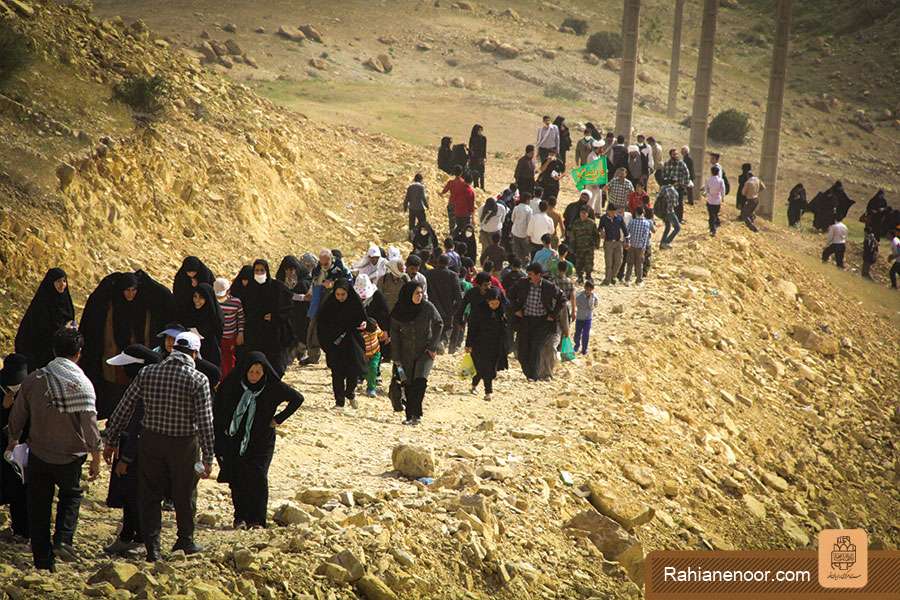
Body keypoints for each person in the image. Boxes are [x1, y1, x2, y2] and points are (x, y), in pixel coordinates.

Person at [103, 332, 213, 561]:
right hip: (184, 444)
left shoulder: (148, 372)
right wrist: (209, 457)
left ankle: (153, 548)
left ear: (173, 350)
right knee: (184, 493)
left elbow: (124, 409)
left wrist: (111, 441)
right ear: (194, 353)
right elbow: (205, 421)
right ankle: (185, 541)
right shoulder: (198, 379)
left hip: (151, 441)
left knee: (150, 494)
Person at [6, 328, 101, 571]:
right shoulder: (83, 385)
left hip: (39, 453)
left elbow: (17, 415)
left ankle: (43, 562)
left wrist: (13, 440)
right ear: (78, 354)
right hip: (70, 457)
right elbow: (90, 425)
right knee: (70, 496)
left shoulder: (35, 379)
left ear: (53, 350)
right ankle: (63, 539)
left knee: (38, 507)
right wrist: (96, 455)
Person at [214, 352, 302, 529]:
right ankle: (240, 517)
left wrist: (278, 419)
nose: (254, 376)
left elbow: (297, 399)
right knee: (238, 478)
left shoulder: (272, 387)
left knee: (258, 477)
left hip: (262, 441)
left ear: (264, 373)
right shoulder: (232, 384)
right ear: (245, 371)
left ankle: (257, 519)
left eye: (258, 373)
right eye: (251, 372)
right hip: (235, 440)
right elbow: (218, 408)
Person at [79, 271, 176, 419]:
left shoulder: (142, 306)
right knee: (115, 392)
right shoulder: (113, 307)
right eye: (127, 290)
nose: (130, 294)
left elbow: (164, 296)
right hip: (114, 358)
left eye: (134, 290)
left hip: (137, 359)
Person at [103, 344, 162, 557]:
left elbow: (137, 426)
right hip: (137, 447)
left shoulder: (144, 389)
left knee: (134, 495)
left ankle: (134, 537)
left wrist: (126, 457)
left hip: (138, 450)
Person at [390, 282, 443, 425]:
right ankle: (409, 416)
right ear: (408, 294)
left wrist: (432, 347)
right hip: (404, 353)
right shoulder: (398, 310)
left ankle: (417, 415)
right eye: (416, 293)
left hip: (424, 353)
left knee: (420, 382)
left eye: (421, 293)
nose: (420, 296)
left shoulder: (427, 307)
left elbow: (439, 323)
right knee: (407, 383)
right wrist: (395, 357)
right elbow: (394, 334)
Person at [316, 280, 367, 409]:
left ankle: (350, 393)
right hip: (335, 345)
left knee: (352, 372)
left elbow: (364, 320)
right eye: (337, 294)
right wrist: (327, 344)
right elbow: (321, 324)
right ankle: (339, 402)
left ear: (348, 293)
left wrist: (364, 324)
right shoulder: (329, 304)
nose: (340, 297)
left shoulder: (355, 304)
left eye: (343, 294)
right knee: (337, 373)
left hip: (352, 344)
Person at [14, 267, 76, 372]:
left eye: (64, 281)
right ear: (50, 283)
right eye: (58, 281)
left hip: (61, 354)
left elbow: (71, 321)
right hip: (41, 354)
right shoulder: (42, 305)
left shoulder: (66, 302)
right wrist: (63, 329)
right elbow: (42, 331)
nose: (62, 285)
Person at [509, 263, 563, 382]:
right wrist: (516, 309)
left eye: (531, 275)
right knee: (522, 350)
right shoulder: (523, 283)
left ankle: (532, 375)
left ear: (539, 275)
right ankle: (528, 372)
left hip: (542, 321)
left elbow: (562, 298)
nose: (529, 277)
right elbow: (510, 294)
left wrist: (553, 315)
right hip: (526, 319)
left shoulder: (549, 286)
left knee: (535, 347)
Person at [242, 259, 295, 376]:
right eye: (256, 270)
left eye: (262, 270)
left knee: (275, 367)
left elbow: (288, 307)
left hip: (274, 334)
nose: (259, 273)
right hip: (255, 333)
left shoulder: (277, 287)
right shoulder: (249, 289)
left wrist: (275, 316)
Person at [302, 250, 350, 366]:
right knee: (313, 327)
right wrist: (311, 291)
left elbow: (348, 282)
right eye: (322, 262)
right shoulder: (318, 268)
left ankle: (336, 358)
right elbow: (314, 281)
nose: (324, 265)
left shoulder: (340, 267)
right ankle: (313, 355)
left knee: (334, 330)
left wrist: (334, 284)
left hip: (335, 300)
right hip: (319, 299)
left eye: (326, 262)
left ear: (330, 259)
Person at [1, 353, 29, 542]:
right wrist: (3, 408)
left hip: (21, 448)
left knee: (20, 490)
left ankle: (21, 530)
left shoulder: (31, 387)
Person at [465, 287, 508, 401]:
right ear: (487, 301)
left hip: (495, 344)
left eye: (496, 303)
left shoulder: (502, 310)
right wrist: (468, 344)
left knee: (486, 369)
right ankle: (488, 392)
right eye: (492, 303)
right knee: (486, 368)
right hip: (479, 344)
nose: (494, 306)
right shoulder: (479, 310)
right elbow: (472, 328)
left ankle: (474, 384)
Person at [275, 255, 312, 364]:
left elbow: (307, 295)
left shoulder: (304, 280)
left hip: (302, 310)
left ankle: (301, 351)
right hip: (288, 310)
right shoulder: (281, 279)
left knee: (302, 331)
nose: (290, 272)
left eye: (292, 269)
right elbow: (282, 293)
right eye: (287, 269)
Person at [180, 283, 224, 368]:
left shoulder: (214, 316)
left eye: (201, 297)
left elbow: (216, 332)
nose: (197, 300)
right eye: (195, 296)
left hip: (208, 351)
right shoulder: (188, 311)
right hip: (189, 351)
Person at [425, 254, 462, 352]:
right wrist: (455, 309)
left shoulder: (428, 273)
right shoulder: (453, 275)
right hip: (448, 308)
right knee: (447, 327)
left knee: (432, 326)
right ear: (448, 263)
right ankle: (442, 342)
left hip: (431, 306)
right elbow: (458, 295)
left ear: (437, 262)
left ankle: (432, 345)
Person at [213, 278, 245, 378]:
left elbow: (241, 319)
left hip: (229, 338)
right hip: (216, 338)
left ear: (228, 291)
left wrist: (240, 333)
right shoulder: (213, 302)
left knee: (228, 362)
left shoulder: (236, 303)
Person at [658, 149, 692, 223]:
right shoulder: (667, 164)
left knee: (679, 204)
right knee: (668, 204)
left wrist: (684, 185)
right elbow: (663, 175)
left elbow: (687, 175)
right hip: (669, 188)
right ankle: (668, 219)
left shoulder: (681, 163)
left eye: (676, 154)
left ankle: (679, 219)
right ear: (670, 155)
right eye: (674, 154)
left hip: (679, 187)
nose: (676, 156)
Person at [441, 165, 476, 234]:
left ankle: (452, 234)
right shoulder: (463, 183)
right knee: (461, 223)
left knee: (452, 222)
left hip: (451, 203)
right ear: (461, 173)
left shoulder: (450, 182)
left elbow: (443, 192)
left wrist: (440, 193)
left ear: (454, 172)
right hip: (461, 206)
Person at [569, 205, 600, 284]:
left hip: (589, 248)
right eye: (581, 213)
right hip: (579, 247)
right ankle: (580, 277)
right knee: (579, 263)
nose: (582, 214)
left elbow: (596, 235)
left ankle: (589, 276)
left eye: (584, 213)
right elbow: (572, 235)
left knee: (589, 263)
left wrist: (597, 244)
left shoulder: (591, 223)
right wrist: (572, 246)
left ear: (587, 214)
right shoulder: (576, 223)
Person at [599, 205, 628, 285]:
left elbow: (625, 230)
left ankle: (613, 276)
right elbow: (600, 227)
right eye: (611, 212)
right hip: (608, 242)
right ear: (608, 211)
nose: (613, 213)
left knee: (619, 261)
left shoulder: (619, 218)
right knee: (609, 262)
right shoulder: (603, 218)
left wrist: (627, 240)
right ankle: (607, 279)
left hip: (618, 242)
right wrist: (601, 231)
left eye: (614, 212)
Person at [625, 208, 652, 285]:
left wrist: (627, 242)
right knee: (639, 264)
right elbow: (645, 237)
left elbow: (627, 233)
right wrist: (644, 248)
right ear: (643, 213)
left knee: (630, 263)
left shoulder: (632, 221)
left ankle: (627, 280)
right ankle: (639, 280)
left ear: (636, 213)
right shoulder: (646, 223)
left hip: (631, 246)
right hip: (640, 247)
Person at [573, 281, 597, 355]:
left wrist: (590, 301)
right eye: (587, 289)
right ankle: (576, 346)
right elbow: (575, 303)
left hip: (588, 318)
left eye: (590, 289)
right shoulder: (579, 295)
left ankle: (584, 349)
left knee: (586, 334)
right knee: (577, 333)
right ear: (585, 288)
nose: (588, 291)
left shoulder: (594, 296)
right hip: (579, 317)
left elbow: (595, 305)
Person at [404, 173, 429, 240]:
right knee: (423, 222)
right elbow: (423, 198)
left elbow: (407, 198)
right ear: (421, 179)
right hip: (419, 208)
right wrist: (427, 206)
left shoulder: (410, 187)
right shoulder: (421, 187)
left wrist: (405, 207)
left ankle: (411, 237)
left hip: (411, 208)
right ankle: (421, 237)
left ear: (414, 179)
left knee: (411, 223)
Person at [657, 179, 681, 249]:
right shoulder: (675, 192)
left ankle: (662, 244)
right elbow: (675, 204)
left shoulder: (663, 188)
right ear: (675, 183)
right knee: (677, 228)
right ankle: (666, 242)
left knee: (668, 227)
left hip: (662, 211)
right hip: (670, 212)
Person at [510, 193, 534, 264]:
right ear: (527, 200)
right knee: (525, 252)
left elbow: (512, 219)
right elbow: (529, 223)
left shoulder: (516, 207)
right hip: (524, 234)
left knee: (516, 251)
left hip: (515, 232)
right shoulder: (529, 210)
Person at [739, 168, 765, 232]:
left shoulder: (748, 182)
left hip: (750, 200)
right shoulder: (757, 180)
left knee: (744, 214)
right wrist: (756, 191)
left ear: (748, 176)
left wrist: (749, 193)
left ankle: (752, 227)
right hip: (756, 199)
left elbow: (743, 193)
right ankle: (751, 223)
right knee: (750, 212)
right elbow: (763, 187)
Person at [704, 165, 726, 236]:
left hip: (710, 200)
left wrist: (707, 195)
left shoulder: (708, 179)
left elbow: (706, 190)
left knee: (711, 215)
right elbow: (723, 190)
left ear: (711, 172)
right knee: (715, 214)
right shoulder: (721, 180)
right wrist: (722, 198)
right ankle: (715, 226)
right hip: (717, 200)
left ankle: (712, 229)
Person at [468, 124, 487, 190]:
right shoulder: (472, 138)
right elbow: (470, 148)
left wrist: (484, 158)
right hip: (473, 158)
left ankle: (482, 188)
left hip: (480, 158)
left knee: (481, 174)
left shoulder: (483, 138)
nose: (480, 131)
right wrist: (470, 157)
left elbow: (484, 149)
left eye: (481, 130)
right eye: (479, 130)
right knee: (475, 173)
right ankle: (476, 187)